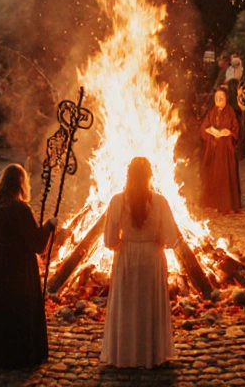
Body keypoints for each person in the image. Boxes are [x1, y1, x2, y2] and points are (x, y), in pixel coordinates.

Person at [0, 164, 57, 368]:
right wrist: (49, 225)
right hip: (17, 262)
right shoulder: (21, 209)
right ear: (21, 184)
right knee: (16, 302)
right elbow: (37, 244)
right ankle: (17, 351)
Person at [101, 157, 180, 368]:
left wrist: (122, 243)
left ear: (128, 175)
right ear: (149, 177)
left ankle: (126, 354)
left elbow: (109, 240)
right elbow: (171, 238)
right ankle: (151, 353)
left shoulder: (117, 201)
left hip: (127, 256)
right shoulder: (160, 202)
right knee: (149, 306)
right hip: (152, 257)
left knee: (127, 306)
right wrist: (156, 239)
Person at [200, 87, 242, 213]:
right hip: (213, 149)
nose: (218, 100)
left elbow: (236, 129)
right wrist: (210, 131)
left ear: (226, 99)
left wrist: (228, 132)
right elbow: (203, 127)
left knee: (226, 176)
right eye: (216, 98)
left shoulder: (230, 112)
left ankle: (228, 204)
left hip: (225, 150)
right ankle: (214, 203)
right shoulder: (212, 112)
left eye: (221, 98)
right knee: (214, 176)